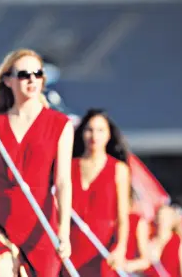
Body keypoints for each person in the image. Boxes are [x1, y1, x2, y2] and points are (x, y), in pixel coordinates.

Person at [0, 49, 74, 276]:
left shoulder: (60, 124)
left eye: (37, 74)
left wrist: (64, 233)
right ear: (8, 81)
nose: (31, 79)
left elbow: (64, 182)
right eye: (23, 74)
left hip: (41, 228)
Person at [65, 109, 131, 276]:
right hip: (70, 246)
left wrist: (120, 248)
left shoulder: (119, 169)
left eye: (100, 130)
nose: (94, 135)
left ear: (109, 135)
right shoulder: (68, 166)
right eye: (89, 129)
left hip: (102, 250)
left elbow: (123, 217)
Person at [145, 205, 182, 277]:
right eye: (160, 216)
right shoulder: (148, 240)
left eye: (166, 217)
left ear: (172, 221)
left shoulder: (180, 242)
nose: (162, 220)